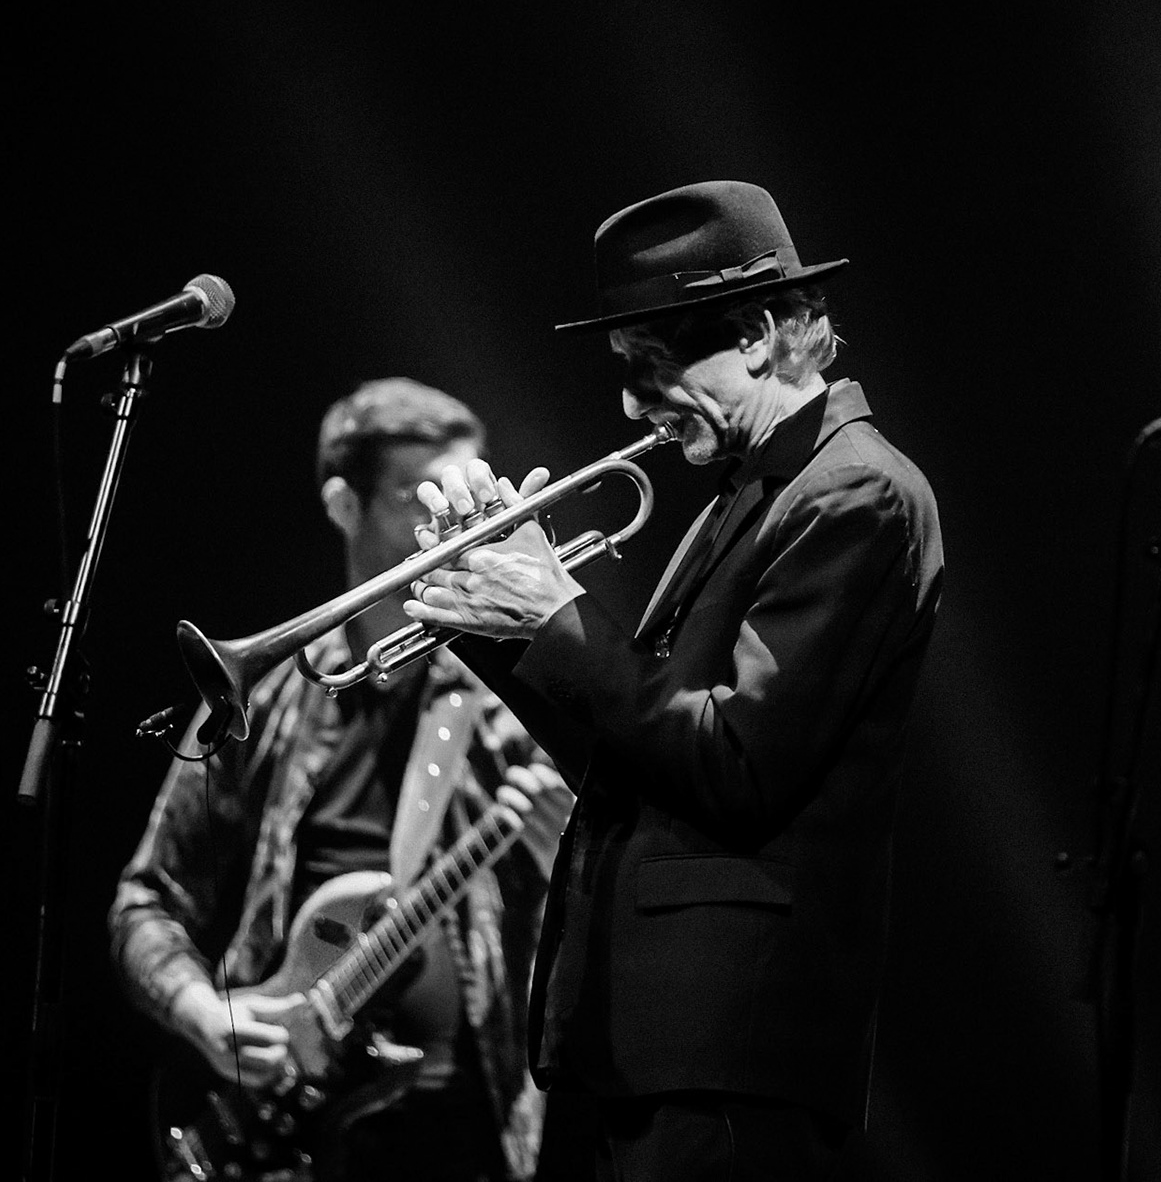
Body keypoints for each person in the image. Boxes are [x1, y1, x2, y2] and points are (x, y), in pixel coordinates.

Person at [399, 181, 944, 1180]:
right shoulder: (748, 493)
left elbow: (737, 762)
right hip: (635, 1042)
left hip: (724, 1049)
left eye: (649, 366)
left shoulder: (856, 491)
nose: (627, 403)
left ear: (762, 332)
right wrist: (492, 621)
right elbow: (630, 757)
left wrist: (558, 616)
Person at [111, 378, 573, 1181]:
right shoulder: (269, 697)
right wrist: (200, 1013)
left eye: (465, 489)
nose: (453, 521)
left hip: (464, 1134)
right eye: (414, 495)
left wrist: (570, 850)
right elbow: (146, 900)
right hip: (277, 1130)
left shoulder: (518, 695)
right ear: (342, 504)